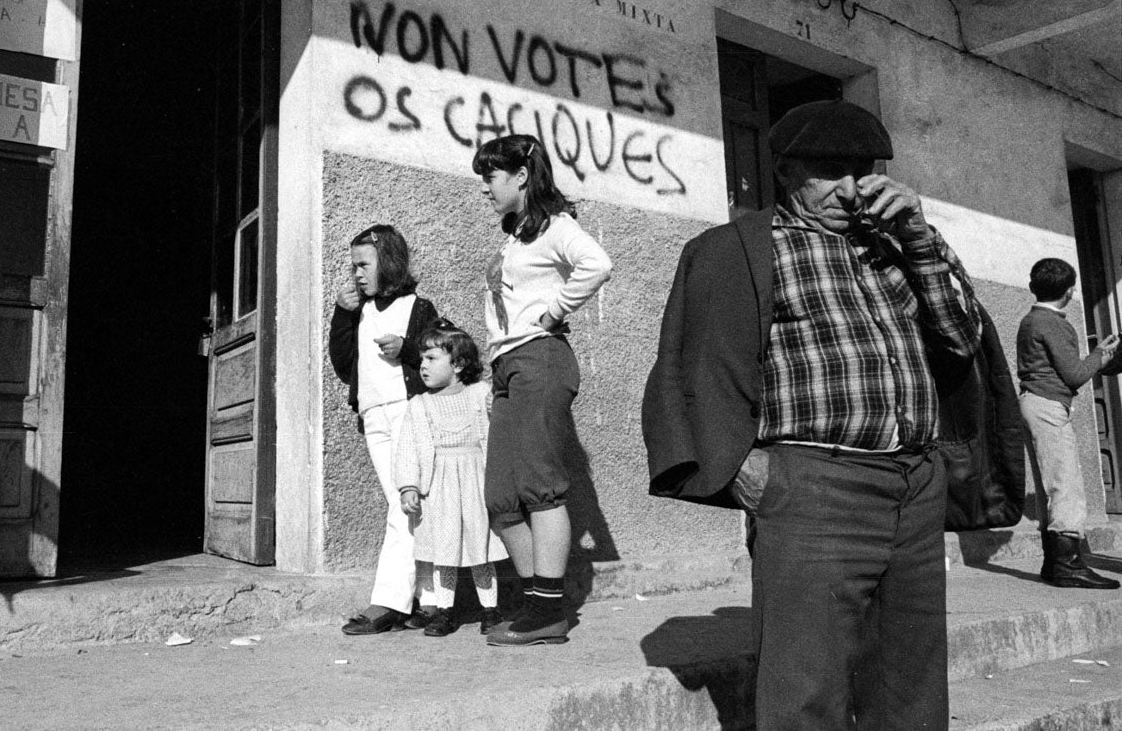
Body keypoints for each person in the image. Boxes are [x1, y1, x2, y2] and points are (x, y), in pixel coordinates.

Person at [643, 100, 981, 730]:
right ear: (786, 171)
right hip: (814, 489)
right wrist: (744, 468)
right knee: (805, 691)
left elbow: (962, 340)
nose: (850, 190)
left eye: (863, 172)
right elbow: (690, 367)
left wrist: (920, 235)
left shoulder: (898, 247)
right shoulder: (737, 250)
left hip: (915, 487)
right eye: (830, 172)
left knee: (911, 683)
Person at [471, 134, 613, 647]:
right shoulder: (518, 236)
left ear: (521, 175)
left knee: (539, 485)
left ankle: (547, 611)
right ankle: (536, 602)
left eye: (490, 177)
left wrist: (554, 313)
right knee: (502, 498)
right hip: (509, 366)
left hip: (540, 359)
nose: (485, 187)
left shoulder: (555, 226)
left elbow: (597, 265)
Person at [329, 224, 440, 634]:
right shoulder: (360, 312)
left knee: (404, 503)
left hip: (410, 413)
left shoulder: (418, 307)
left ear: (388, 262)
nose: (356, 274)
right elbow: (344, 366)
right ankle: (430, 601)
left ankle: (389, 602)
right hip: (375, 416)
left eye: (364, 265)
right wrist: (342, 314)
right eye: (353, 265)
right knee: (410, 504)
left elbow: (441, 357)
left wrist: (408, 350)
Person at [394, 319, 508, 637]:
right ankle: (445, 611)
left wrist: (496, 401)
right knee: (445, 550)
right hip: (440, 488)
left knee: (480, 547)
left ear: (457, 364)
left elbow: (501, 420)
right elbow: (407, 449)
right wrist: (408, 486)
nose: (423, 366)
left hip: (476, 483)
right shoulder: (419, 405)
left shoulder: (479, 394)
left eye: (432, 358)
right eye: (422, 359)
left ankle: (490, 610)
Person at [1015, 258, 1121, 590]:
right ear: (1070, 291)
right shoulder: (1053, 323)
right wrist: (1100, 357)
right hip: (1048, 405)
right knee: (1067, 486)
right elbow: (1074, 374)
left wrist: (1096, 356)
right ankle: (1068, 565)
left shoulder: (1032, 319)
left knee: (1054, 485)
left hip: (1036, 402)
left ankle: (1055, 564)